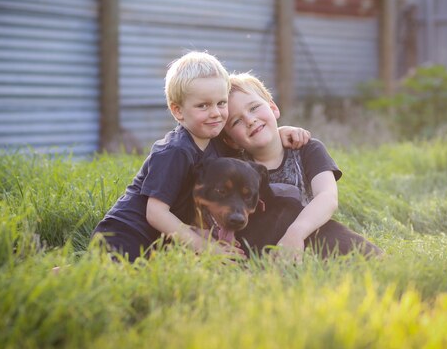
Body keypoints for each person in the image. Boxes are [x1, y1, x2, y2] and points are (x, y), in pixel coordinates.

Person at [91, 52, 309, 262]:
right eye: (203, 105)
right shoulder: (175, 151)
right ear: (178, 111)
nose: (215, 112)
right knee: (110, 277)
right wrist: (204, 247)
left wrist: (279, 133)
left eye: (221, 103)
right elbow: (155, 213)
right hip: (126, 233)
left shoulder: (215, 143)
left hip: (161, 239)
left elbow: (245, 144)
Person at [221, 72, 382, 258]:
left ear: (273, 108)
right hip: (262, 249)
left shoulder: (307, 149)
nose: (250, 120)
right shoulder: (237, 168)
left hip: (314, 237)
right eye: (236, 121)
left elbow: (327, 196)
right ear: (230, 141)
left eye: (254, 107)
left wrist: (295, 234)